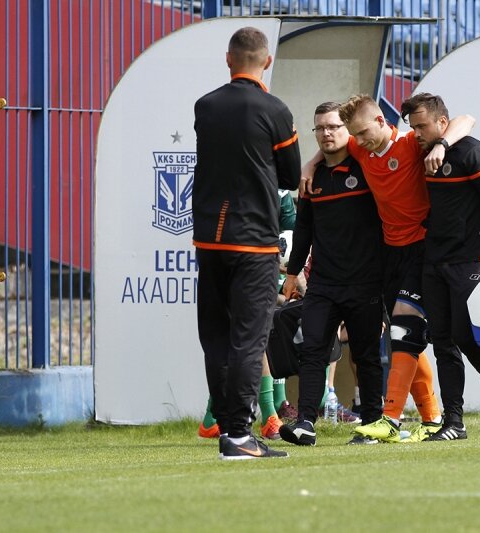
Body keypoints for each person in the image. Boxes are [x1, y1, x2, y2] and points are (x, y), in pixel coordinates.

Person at [302, 94, 476, 443]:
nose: (358, 141)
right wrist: (310, 164)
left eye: (363, 133)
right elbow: (335, 144)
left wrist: (441, 145)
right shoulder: (362, 147)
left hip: (422, 249)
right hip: (389, 255)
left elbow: (467, 120)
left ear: (381, 121)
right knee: (405, 337)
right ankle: (432, 417)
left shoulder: (411, 144)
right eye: (355, 135)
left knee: (407, 333)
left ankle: (393, 418)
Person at [193, 27, 300, 460]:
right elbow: (290, 175)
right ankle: (239, 434)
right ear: (267, 61)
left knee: (216, 338)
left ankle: (227, 430)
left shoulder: (206, 106)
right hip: (254, 242)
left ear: (228, 58)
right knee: (249, 340)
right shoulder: (275, 109)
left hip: (209, 240)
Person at [394, 93, 480, 440]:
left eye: (422, 126)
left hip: (471, 258)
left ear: (442, 123)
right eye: (413, 127)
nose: (416, 133)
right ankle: (454, 422)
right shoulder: (421, 152)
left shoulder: (472, 151)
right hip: (434, 258)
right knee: (442, 341)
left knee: (464, 334)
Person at [278, 101, 385, 446]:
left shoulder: (367, 168)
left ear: (346, 130)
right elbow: (304, 231)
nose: (326, 133)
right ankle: (306, 424)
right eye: (320, 127)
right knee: (312, 351)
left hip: (365, 282)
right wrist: (293, 274)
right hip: (323, 283)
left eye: (333, 127)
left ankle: (372, 423)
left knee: (366, 355)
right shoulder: (311, 179)